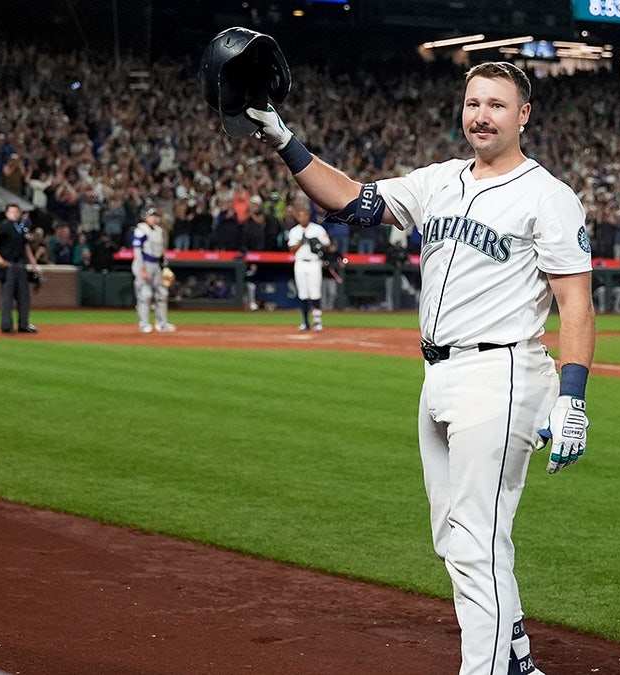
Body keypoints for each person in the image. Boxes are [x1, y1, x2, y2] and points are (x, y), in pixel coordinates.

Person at [240, 60, 595, 675]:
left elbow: (576, 303)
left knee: (474, 536)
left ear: (523, 116)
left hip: (502, 372)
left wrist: (573, 396)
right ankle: (513, 658)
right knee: (456, 539)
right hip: (438, 376)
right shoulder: (438, 182)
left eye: (497, 105)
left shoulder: (549, 196)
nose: (481, 115)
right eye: (473, 102)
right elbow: (349, 201)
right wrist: (282, 138)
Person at [0, 203, 40, 334]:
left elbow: (26, 247)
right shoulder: (3, 226)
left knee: (24, 296)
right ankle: (6, 325)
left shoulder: (22, 227)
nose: (14, 214)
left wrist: (34, 264)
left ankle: (23, 324)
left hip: (21, 264)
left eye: (16, 212)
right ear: (7, 213)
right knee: (7, 296)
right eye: (12, 212)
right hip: (8, 265)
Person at [286, 203, 330, 331]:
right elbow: (291, 249)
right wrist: (301, 242)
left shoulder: (317, 229)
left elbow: (327, 244)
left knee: (315, 292)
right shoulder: (295, 231)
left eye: (305, 215)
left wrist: (315, 243)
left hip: (314, 262)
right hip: (300, 263)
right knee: (303, 293)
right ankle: (305, 322)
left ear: (309, 216)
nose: (302, 218)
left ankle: (317, 321)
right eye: (300, 216)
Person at [131, 206, 175, 333]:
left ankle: (162, 323)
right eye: (151, 215)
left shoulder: (158, 231)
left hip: (155, 264)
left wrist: (164, 266)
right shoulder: (140, 230)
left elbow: (161, 252)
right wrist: (142, 269)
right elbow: (137, 252)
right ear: (145, 217)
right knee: (145, 295)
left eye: (155, 216)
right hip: (143, 263)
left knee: (162, 294)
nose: (154, 218)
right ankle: (143, 324)